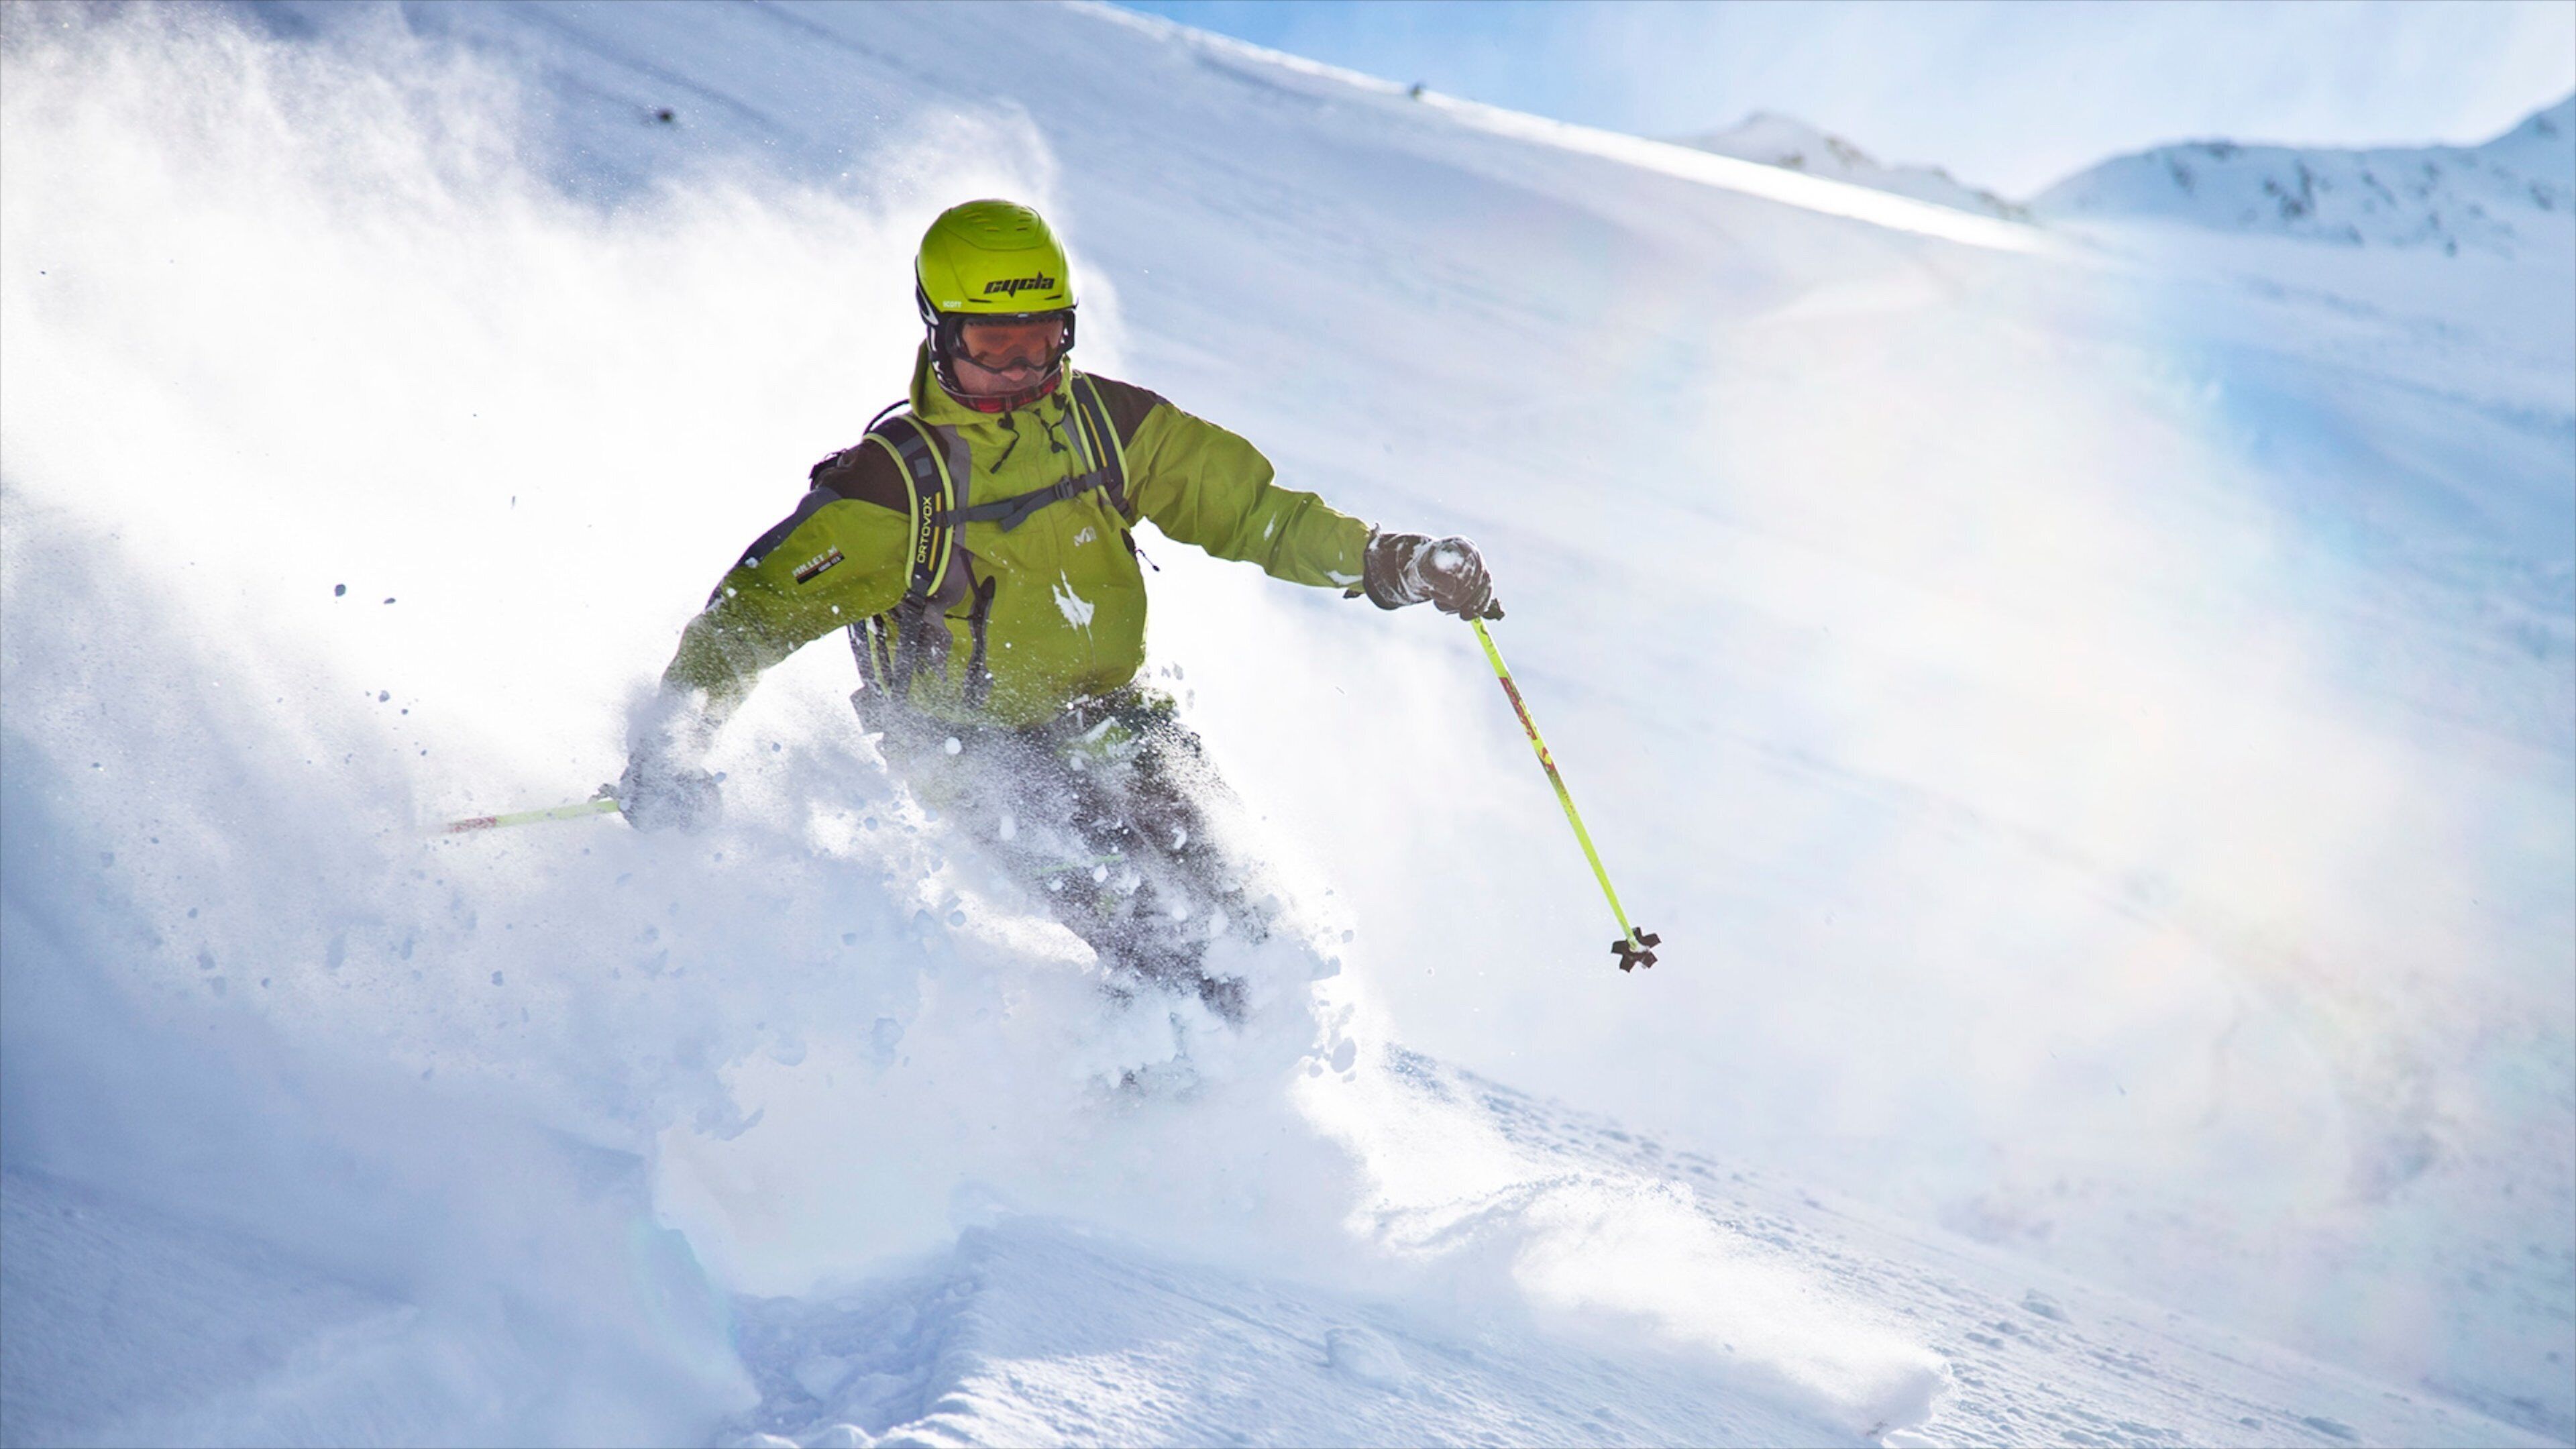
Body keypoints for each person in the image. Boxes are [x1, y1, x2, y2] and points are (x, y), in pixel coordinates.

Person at [620, 199, 1493, 1018]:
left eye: (1043, 343)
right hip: (978, 754)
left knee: (1261, 936)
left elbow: (1250, 509)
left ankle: (1229, 1102)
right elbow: (751, 619)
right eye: (994, 348)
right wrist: (675, 745)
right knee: (1171, 958)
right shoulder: (892, 490)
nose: (1024, 371)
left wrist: (1387, 560)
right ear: (939, 333)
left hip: (1115, 717)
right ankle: (1115, 1131)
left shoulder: (1107, 424)